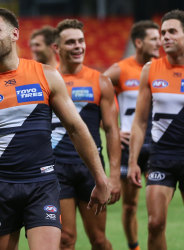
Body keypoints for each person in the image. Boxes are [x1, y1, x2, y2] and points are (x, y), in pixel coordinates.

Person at [0, 8, 111, 250]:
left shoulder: (46, 76)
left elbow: (76, 128)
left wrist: (101, 178)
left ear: (14, 34)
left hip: (41, 184)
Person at [128, 9, 184, 250]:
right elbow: (140, 121)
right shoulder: (150, 70)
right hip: (161, 157)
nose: (165, 37)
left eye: (172, 31)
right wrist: (133, 161)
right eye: (163, 33)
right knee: (154, 223)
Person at [52, 19, 121, 250]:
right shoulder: (47, 81)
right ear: (57, 48)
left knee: (99, 240)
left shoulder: (101, 82)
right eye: (70, 42)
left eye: (81, 41)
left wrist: (114, 176)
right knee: (65, 238)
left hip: (91, 168)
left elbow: (112, 131)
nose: (78, 46)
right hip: (56, 169)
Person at [103, 20, 161, 250]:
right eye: (154, 39)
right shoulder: (120, 69)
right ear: (139, 42)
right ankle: (134, 247)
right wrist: (113, 129)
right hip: (130, 146)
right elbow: (95, 98)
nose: (160, 42)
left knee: (157, 210)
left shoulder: (162, 69)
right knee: (129, 206)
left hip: (158, 144)